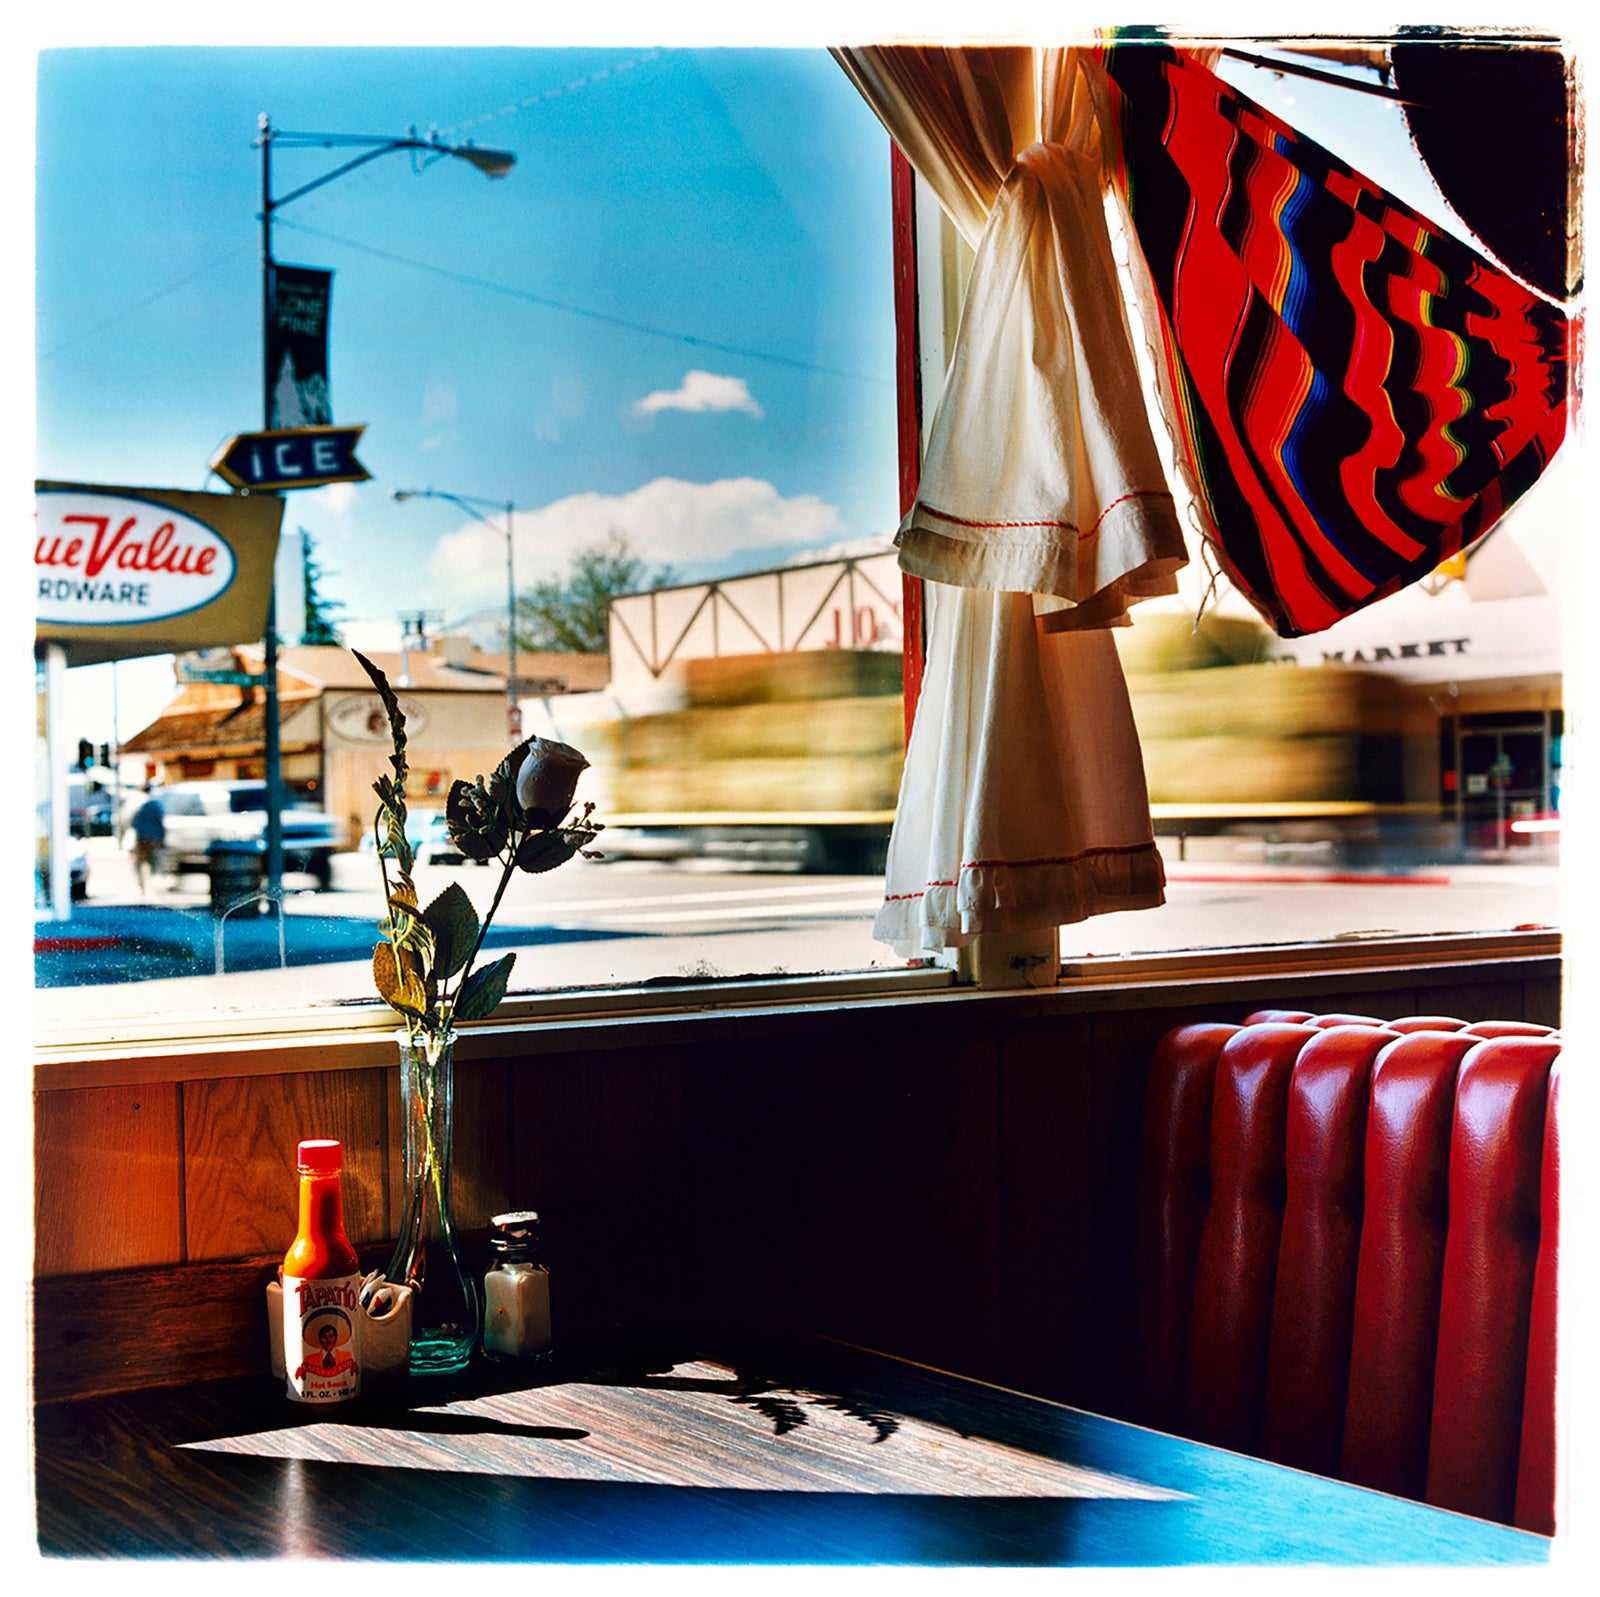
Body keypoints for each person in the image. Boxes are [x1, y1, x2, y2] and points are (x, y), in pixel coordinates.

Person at [129, 783, 166, 894]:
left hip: (141, 837)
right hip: (154, 838)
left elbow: (132, 821)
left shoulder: (137, 803)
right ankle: (155, 887)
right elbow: (160, 821)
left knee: (139, 863)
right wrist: (162, 838)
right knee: (154, 862)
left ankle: (142, 888)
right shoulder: (156, 804)